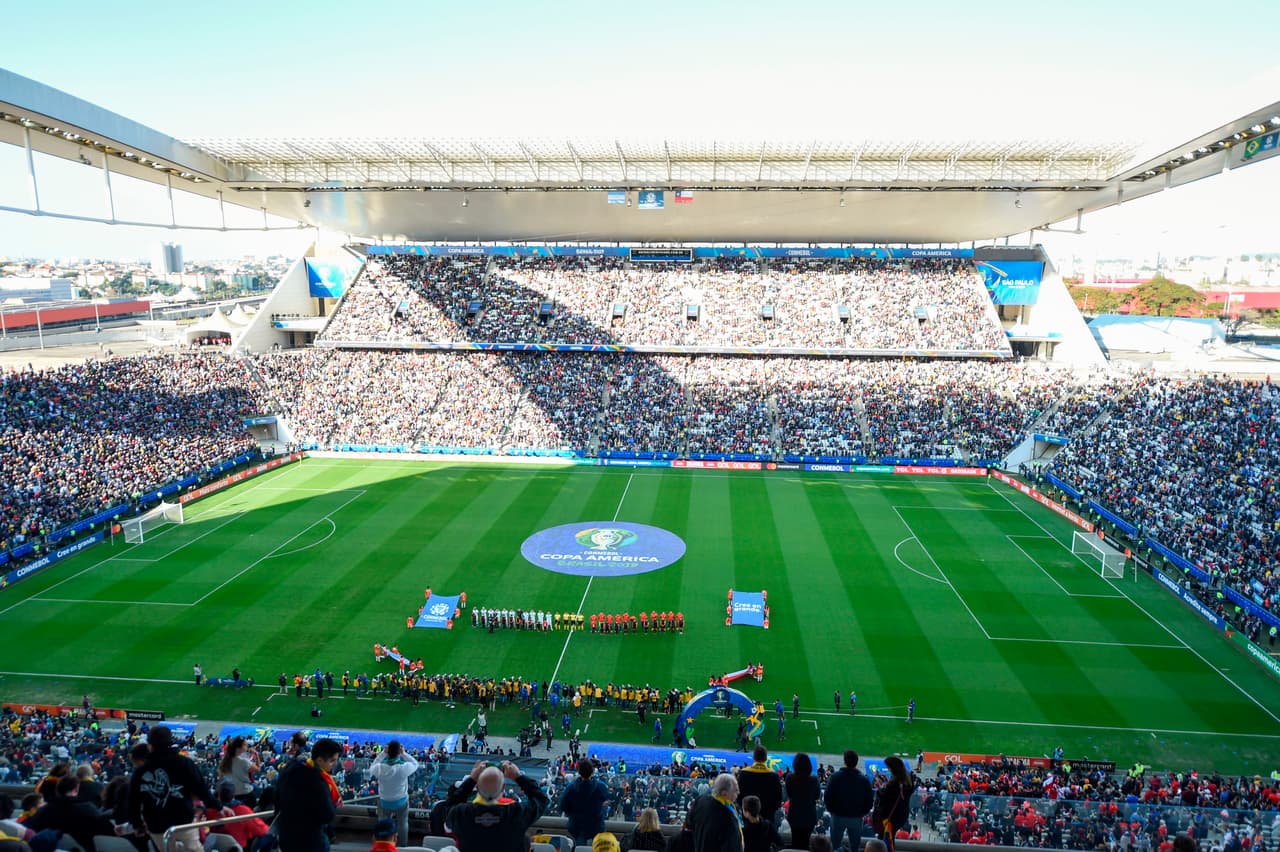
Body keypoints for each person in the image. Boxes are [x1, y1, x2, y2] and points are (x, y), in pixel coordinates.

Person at [128, 726, 214, 852]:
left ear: (150, 745)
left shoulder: (141, 771)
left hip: (157, 824)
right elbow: (201, 788)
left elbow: (133, 801)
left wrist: (137, 824)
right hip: (183, 820)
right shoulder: (183, 762)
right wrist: (218, 806)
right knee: (194, 848)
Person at [447, 760, 548, 852]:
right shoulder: (516, 813)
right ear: (503, 788)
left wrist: (472, 779)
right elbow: (542, 799)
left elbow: (448, 807)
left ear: (477, 788)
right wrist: (518, 776)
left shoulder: (462, 813)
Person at [274, 738, 343, 852]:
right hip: (311, 840)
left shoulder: (290, 768)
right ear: (320, 760)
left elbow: (277, 797)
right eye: (332, 760)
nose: (335, 764)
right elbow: (327, 815)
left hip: (286, 835)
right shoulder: (319, 782)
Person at [23, 776, 115, 852]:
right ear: (76, 789)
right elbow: (108, 833)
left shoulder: (43, 811)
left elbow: (29, 832)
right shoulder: (89, 810)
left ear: (57, 791)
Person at [370, 741, 420, 847]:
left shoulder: (380, 768)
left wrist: (383, 753)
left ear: (388, 751)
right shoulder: (403, 768)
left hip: (384, 802)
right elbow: (416, 763)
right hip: (401, 801)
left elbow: (372, 766)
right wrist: (404, 753)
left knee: (383, 825)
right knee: (403, 823)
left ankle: (383, 845)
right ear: (398, 752)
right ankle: (403, 846)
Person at [823, 750, 873, 851]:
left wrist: (832, 811)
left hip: (838, 816)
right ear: (857, 762)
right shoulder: (863, 780)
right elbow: (869, 801)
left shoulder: (835, 777)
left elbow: (827, 797)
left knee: (835, 846)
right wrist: (861, 813)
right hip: (855, 817)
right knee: (854, 847)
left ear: (844, 761)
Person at [559, 760, 610, 848]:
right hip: (596, 825)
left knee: (579, 848)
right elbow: (606, 801)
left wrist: (572, 813)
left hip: (577, 825)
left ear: (579, 771)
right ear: (593, 771)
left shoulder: (571, 787)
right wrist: (601, 811)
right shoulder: (601, 786)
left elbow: (562, 805)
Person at [686, 773, 743, 852]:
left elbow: (689, 823)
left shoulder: (700, 801)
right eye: (736, 790)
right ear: (724, 793)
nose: (739, 792)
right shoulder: (728, 818)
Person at [871, 756, 913, 850]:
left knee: (885, 840)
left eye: (889, 767)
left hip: (890, 817)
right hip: (901, 815)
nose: (888, 769)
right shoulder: (908, 780)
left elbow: (884, 798)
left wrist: (881, 789)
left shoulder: (893, 784)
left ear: (892, 768)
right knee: (889, 838)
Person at [737, 746, 783, 827]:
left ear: (754, 757)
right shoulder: (773, 776)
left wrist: (745, 810)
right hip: (768, 816)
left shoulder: (743, 774)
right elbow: (778, 799)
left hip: (748, 815)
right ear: (765, 758)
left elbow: (738, 795)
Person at [784, 754, 820, 850]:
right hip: (809, 816)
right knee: (805, 843)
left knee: (795, 842)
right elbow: (817, 796)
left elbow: (789, 794)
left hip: (794, 815)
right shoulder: (814, 780)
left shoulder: (790, 778)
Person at [217, 736, 260, 807]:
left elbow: (220, 779)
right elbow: (258, 769)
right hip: (245, 794)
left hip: (231, 795)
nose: (247, 746)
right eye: (245, 744)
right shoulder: (243, 762)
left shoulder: (224, 761)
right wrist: (256, 755)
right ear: (239, 748)